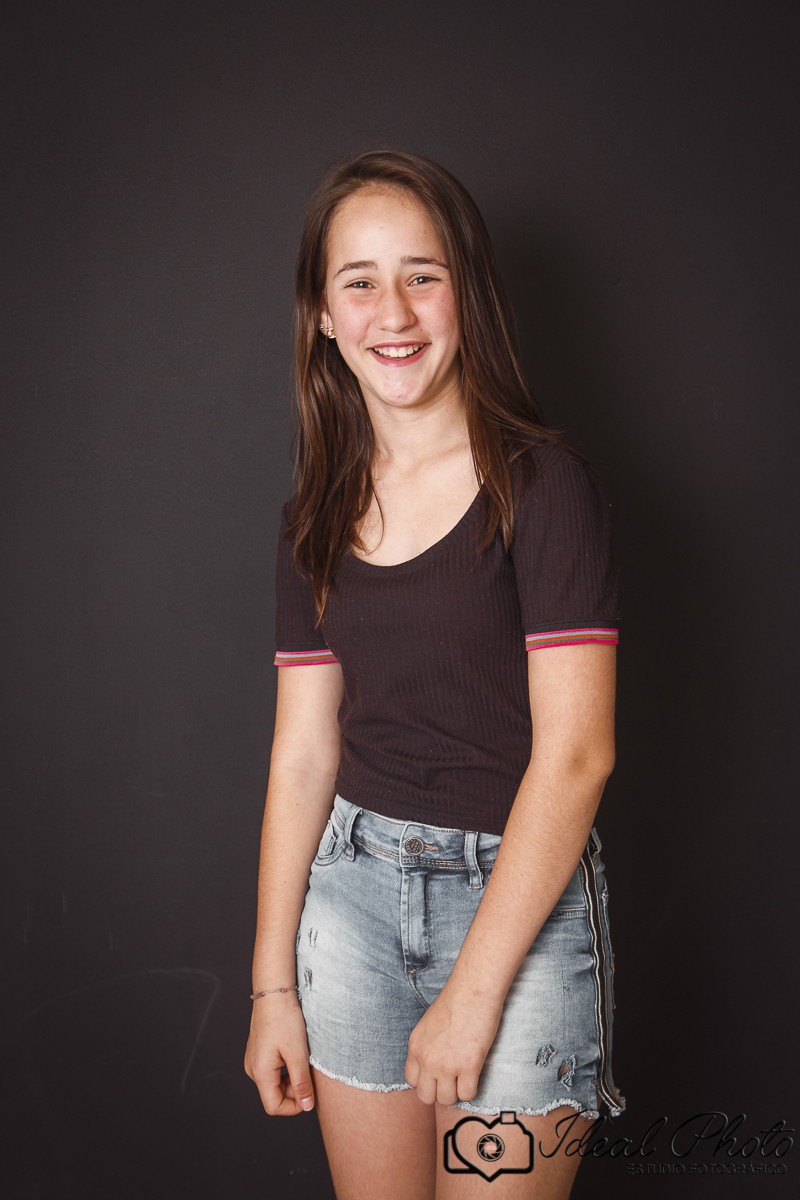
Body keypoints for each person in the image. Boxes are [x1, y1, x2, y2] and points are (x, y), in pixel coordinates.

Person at [244, 149, 624, 1200]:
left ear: (468, 293)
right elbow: (302, 755)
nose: (394, 312)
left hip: (519, 912)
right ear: (323, 315)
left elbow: (577, 756)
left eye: (423, 274)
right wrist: (271, 987)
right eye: (359, 282)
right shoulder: (314, 513)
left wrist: (475, 989)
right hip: (350, 908)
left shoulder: (543, 488)